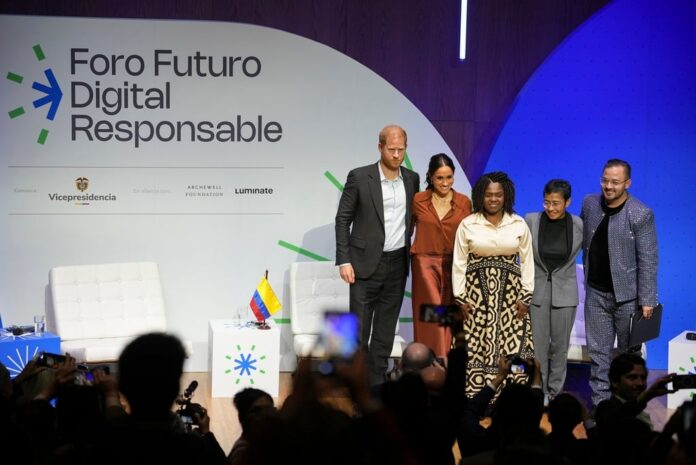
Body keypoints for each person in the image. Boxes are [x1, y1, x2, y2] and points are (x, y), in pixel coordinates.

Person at [335, 124, 420, 386]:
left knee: (384, 333)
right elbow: (342, 219)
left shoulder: (412, 179)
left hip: (397, 263)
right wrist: (344, 259)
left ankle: (375, 389)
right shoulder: (360, 177)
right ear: (380, 147)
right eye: (392, 149)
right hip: (362, 265)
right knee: (359, 333)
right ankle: (356, 388)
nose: (396, 155)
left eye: (401, 150)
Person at [581, 159, 658, 407]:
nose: (608, 186)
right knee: (598, 356)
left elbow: (648, 259)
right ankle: (602, 408)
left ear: (627, 183)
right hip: (596, 294)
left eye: (615, 181)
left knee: (629, 356)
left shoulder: (640, 213)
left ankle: (629, 408)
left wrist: (647, 300)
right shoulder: (590, 204)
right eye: (605, 180)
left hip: (628, 299)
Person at [452, 171, 534, 398]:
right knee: (475, 345)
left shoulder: (518, 223)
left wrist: (526, 297)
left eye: (498, 195)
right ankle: (475, 397)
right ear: (480, 196)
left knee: (512, 345)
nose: (494, 199)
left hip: (511, 298)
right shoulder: (468, 224)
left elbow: (527, 262)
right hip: (475, 297)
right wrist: (460, 298)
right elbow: (459, 262)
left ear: (505, 196)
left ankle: (512, 397)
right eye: (488, 195)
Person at [525, 179, 583, 400]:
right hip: (537, 292)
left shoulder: (578, 224)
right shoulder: (531, 220)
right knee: (538, 347)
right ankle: (538, 390)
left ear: (567, 202)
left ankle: (555, 392)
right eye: (547, 202)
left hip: (566, 293)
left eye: (556, 203)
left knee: (560, 348)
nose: (550, 208)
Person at [410, 153, 471, 358]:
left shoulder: (464, 202)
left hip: (454, 265)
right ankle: (432, 362)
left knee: (449, 314)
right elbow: (406, 229)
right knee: (433, 314)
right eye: (440, 178)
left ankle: (443, 363)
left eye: (449, 177)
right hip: (424, 264)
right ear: (430, 176)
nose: (445, 183)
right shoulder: (418, 200)